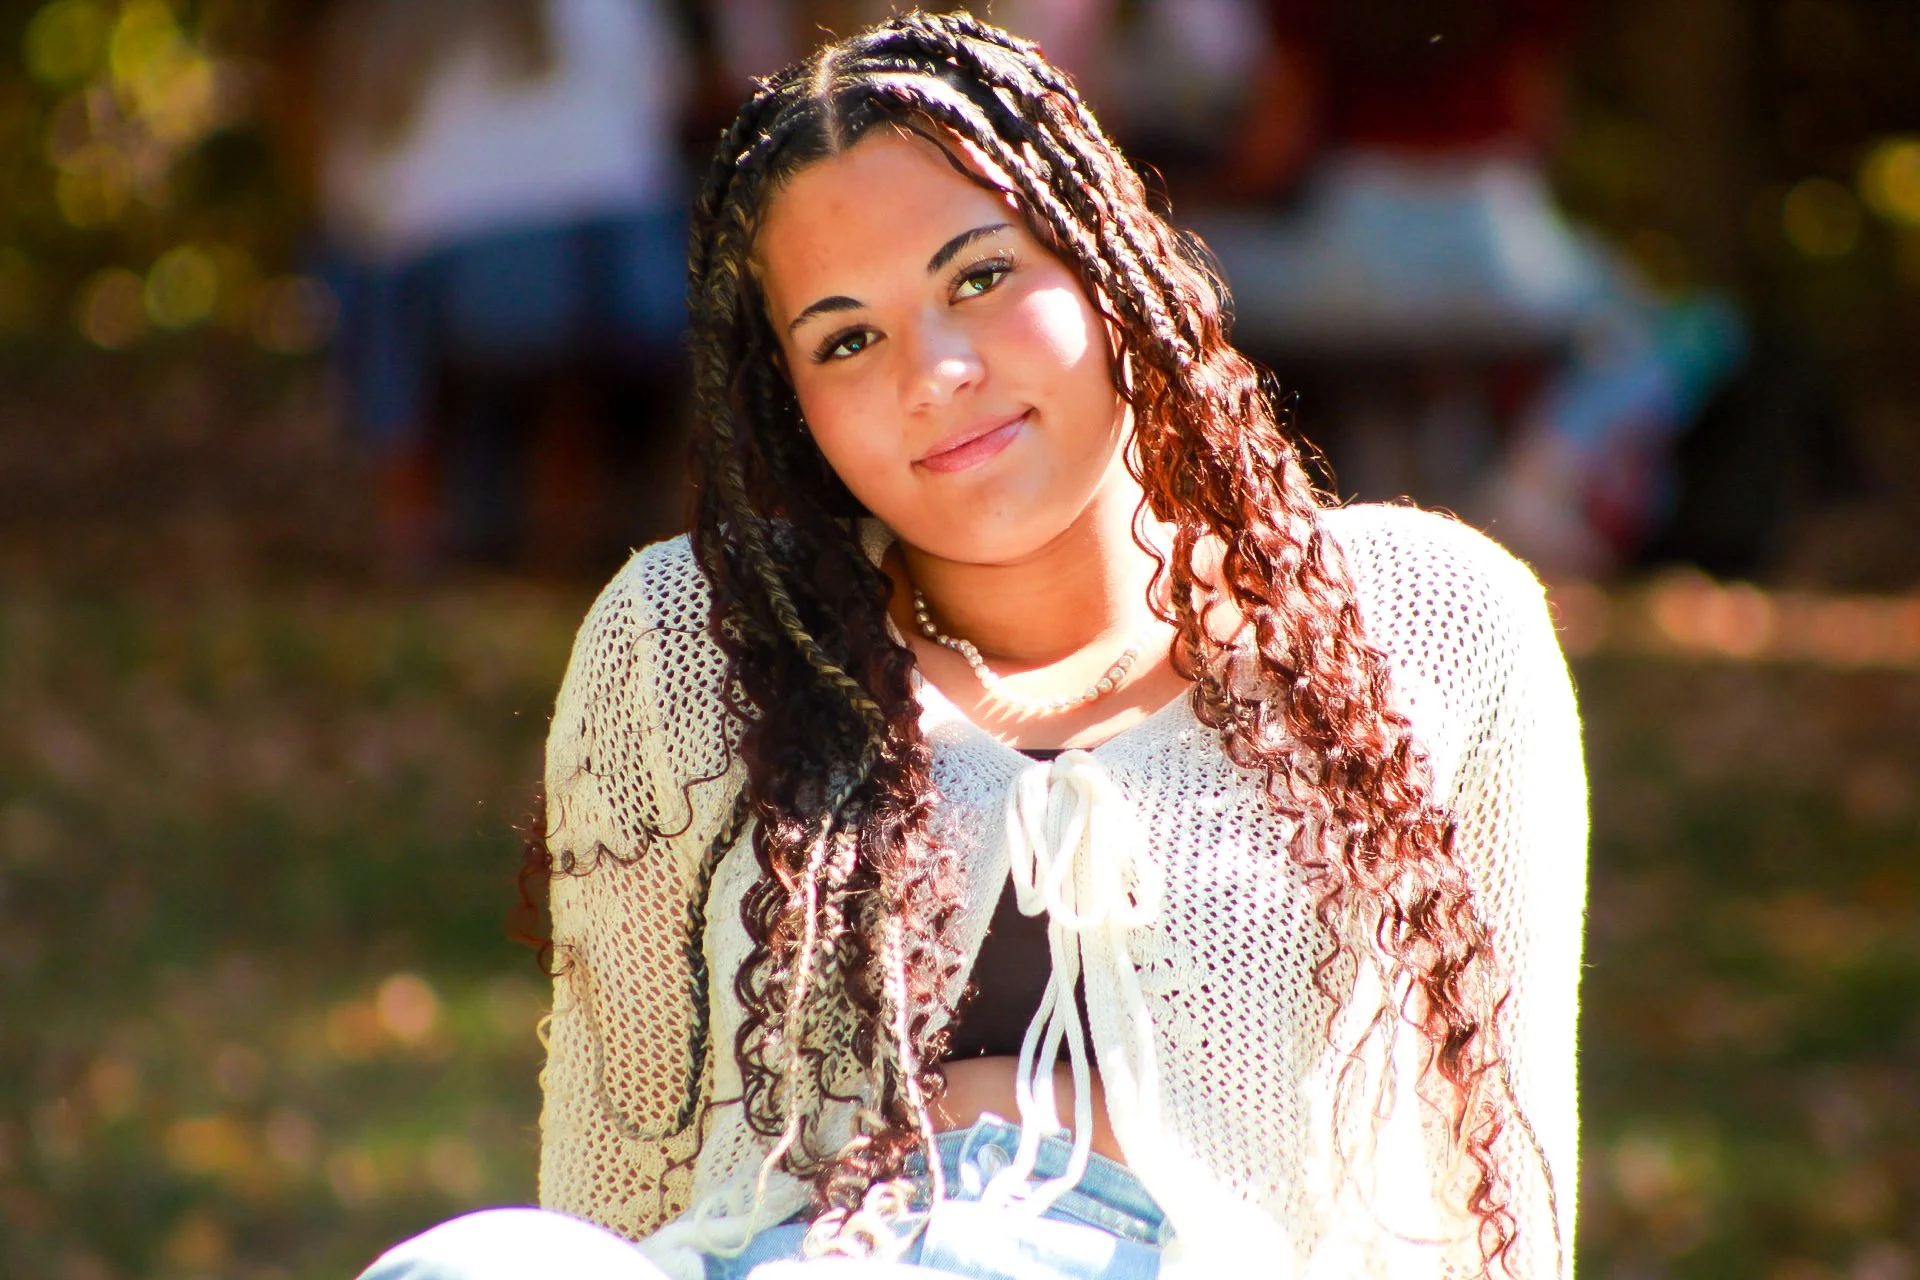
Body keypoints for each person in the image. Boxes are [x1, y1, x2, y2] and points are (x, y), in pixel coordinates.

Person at [358, 12, 1586, 1279]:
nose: (932, 371)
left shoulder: (1427, 621)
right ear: (793, 403)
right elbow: (613, 1177)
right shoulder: (696, 638)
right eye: (846, 338)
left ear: (1104, 260)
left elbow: (1503, 1183)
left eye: (980, 277)